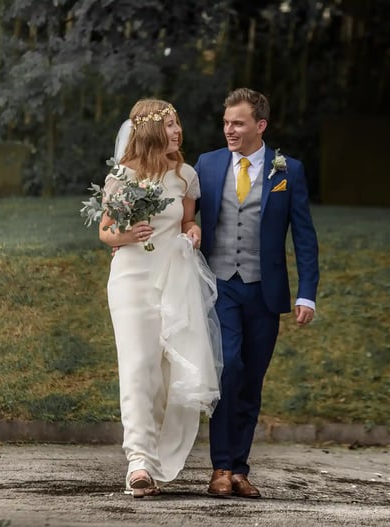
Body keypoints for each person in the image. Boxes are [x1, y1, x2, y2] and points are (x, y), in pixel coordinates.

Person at [194, 88, 319, 498]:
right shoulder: (208, 164)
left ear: (260, 125)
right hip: (220, 286)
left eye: (238, 123)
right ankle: (220, 466)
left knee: (252, 380)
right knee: (229, 367)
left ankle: (239, 469)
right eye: (226, 123)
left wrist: (306, 293)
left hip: (265, 291)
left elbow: (304, 236)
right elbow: (184, 216)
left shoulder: (288, 170)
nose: (229, 130)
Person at [100, 99, 223, 498]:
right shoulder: (123, 176)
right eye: (169, 124)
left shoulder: (185, 175)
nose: (177, 131)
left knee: (168, 374)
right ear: (151, 130)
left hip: (174, 280)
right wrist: (126, 235)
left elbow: (186, 219)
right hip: (131, 280)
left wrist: (193, 231)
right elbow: (105, 231)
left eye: (177, 123)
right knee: (139, 366)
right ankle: (137, 462)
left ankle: (156, 460)